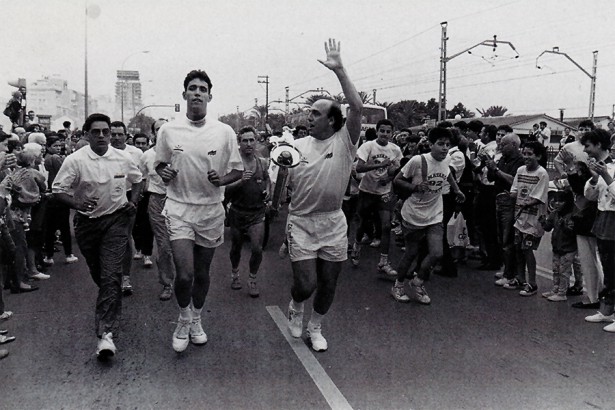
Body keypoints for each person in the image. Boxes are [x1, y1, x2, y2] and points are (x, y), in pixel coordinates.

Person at [155, 70, 243, 353]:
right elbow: (159, 165)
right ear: (184, 95)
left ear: (209, 96)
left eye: (202, 89)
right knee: (184, 275)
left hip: (210, 210)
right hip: (179, 207)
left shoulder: (224, 132)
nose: (196, 93)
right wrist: (164, 171)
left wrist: (223, 180)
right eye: (192, 88)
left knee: (202, 274)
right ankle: (183, 319)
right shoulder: (168, 130)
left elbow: (238, 171)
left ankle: (197, 319)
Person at [285, 39, 362, 352]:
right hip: (301, 221)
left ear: (332, 120)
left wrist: (339, 70)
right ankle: (295, 304)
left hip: (332, 222)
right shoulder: (296, 147)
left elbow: (356, 106)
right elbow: (282, 182)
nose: (309, 116)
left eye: (316, 113)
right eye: (309, 112)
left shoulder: (345, 142)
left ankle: (315, 327)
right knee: (306, 284)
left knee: (329, 282)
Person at [52, 113, 143, 359]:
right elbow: (57, 190)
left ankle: (105, 335)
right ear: (86, 135)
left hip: (116, 221)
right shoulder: (75, 160)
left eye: (106, 131)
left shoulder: (123, 158)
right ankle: (110, 303)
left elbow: (138, 181)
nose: (102, 136)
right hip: (87, 225)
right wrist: (76, 202)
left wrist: (133, 202)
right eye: (96, 132)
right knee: (101, 275)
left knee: (111, 273)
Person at [391, 127, 465, 304]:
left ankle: (417, 282)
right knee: (411, 253)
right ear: (431, 144)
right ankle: (398, 285)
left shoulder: (447, 159)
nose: (444, 148)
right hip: (413, 214)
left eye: (447, 144)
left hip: (435, 214)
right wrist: (415, 188)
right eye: (440, 144)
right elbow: (397, 180)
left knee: (437, 253)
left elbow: (448, 175)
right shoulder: (418, 160)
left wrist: (457, 190)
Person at [351, 119, 402, 278]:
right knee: (362, 224)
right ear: (377, 131)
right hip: (367, 190)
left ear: (392, 133)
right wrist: (379, 166)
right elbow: (359, 167)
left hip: (384, 193)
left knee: (386, 226)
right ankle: (357, 246)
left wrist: (389, 177)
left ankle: (384, 262)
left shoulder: (395, 149)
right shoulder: (368, 146)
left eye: (388, 131)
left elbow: (397, 169)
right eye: (382, 131)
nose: (385, 134)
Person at [225, 126, 271, 297]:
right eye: (245, 140)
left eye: (252, 140)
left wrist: (268, 192)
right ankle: (235, 273)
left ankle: (252, 279)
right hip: (237, 211)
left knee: (257, 249)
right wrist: (240, 182)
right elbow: (225, 191)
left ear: (257, 141)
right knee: (236, 247)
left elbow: (267, 180)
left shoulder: (262, 162)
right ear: (239, 143)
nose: (249, 143)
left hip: (257, 213)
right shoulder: (234, 164)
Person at [505, 141, 549, 296]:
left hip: (533, 220)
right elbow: (515, 190)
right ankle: (520, 278)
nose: (526, 157)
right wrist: (510, 196)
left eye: (530, 154)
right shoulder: (520, 170)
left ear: (538, 156)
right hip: (519, 217)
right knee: (518, 248)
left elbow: (538, 197)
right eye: (524, 153)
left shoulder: (542, 173)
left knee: (527, 250)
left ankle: (532, 283)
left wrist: (526, 203)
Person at [582, 129, 615, 332]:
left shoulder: (610, 168)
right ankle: (606, 310)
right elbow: (591, 196)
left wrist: (606, 176)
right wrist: (595, 178)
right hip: (604, 218)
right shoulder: (606, 167)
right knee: (608, 268)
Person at [140, 119, 175, 301]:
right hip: (157, 201)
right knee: (164, 245)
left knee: (182, 244)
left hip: (179, 201)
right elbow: (142, 179)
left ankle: (185, 279)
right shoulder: (146, 155)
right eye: (158, 129)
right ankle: (167, 283)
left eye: (165, 129)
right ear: (153, 133)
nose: (162, 132)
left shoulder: (181, 153)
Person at [109, 121, 144, 294]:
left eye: (119, 134)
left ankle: (125, 278)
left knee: (125, 236)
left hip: (128, 196)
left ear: (126, 136)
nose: (116, 138)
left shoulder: (135, 153)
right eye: (113, 134)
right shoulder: (103, 152)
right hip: (107, 198)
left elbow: (140, 177)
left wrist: (135, 200)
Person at [487, 133, 525, 287]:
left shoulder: (520, 162)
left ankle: (511, 274)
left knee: (508, 239)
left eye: (504, 144)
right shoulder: (503, 159)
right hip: (499, 200)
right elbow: (491, 178)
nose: (500, 147)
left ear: (514, 145)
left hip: (510, 202)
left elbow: (513, 181)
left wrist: (496, 170)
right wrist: (490, 167)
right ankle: (506, 269)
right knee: (500, 237)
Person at [539, 188, 577, 301]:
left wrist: (564, 226)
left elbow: (572, 232)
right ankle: (555, 289)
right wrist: (543, 222)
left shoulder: (571, 216)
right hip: (557, 246)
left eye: (560, 201)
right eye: (555, 200)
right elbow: (548, 227)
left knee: (564, 271)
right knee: (555, 269)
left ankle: (562, 292)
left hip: (568, 248)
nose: (557, 203)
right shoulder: (554, 214)